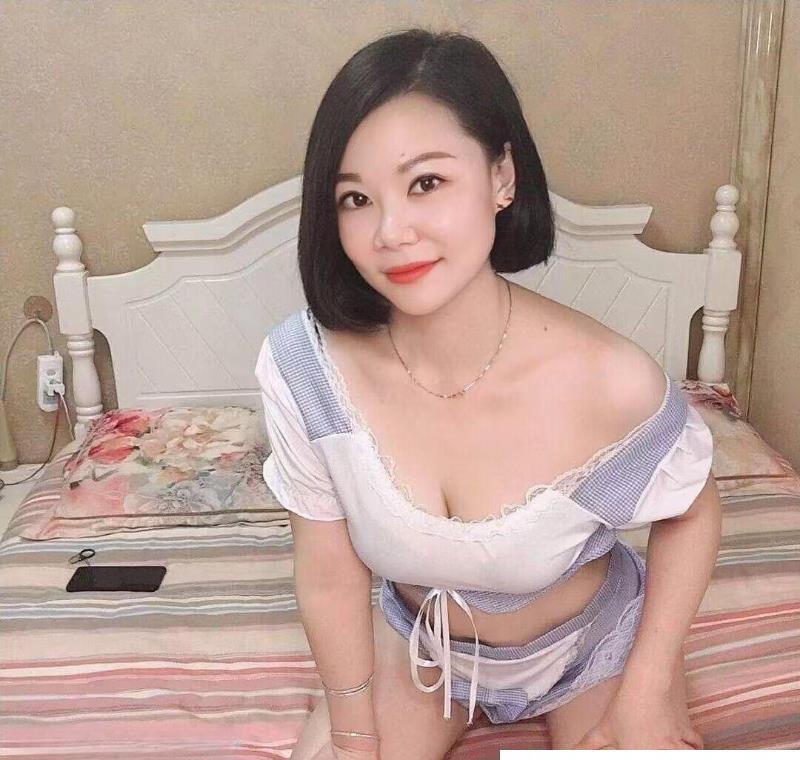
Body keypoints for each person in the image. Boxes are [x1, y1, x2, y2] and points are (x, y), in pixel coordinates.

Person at [254, 28, 722, 759]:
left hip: (591, 649)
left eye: (426, 183)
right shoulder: (306, 370)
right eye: (355, 198)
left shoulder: (609, 378)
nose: (391, 232)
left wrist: (646, 687)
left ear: (502, 177)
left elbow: (692, 510)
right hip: (424, 649)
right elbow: (328, 575)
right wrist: (352, 735)